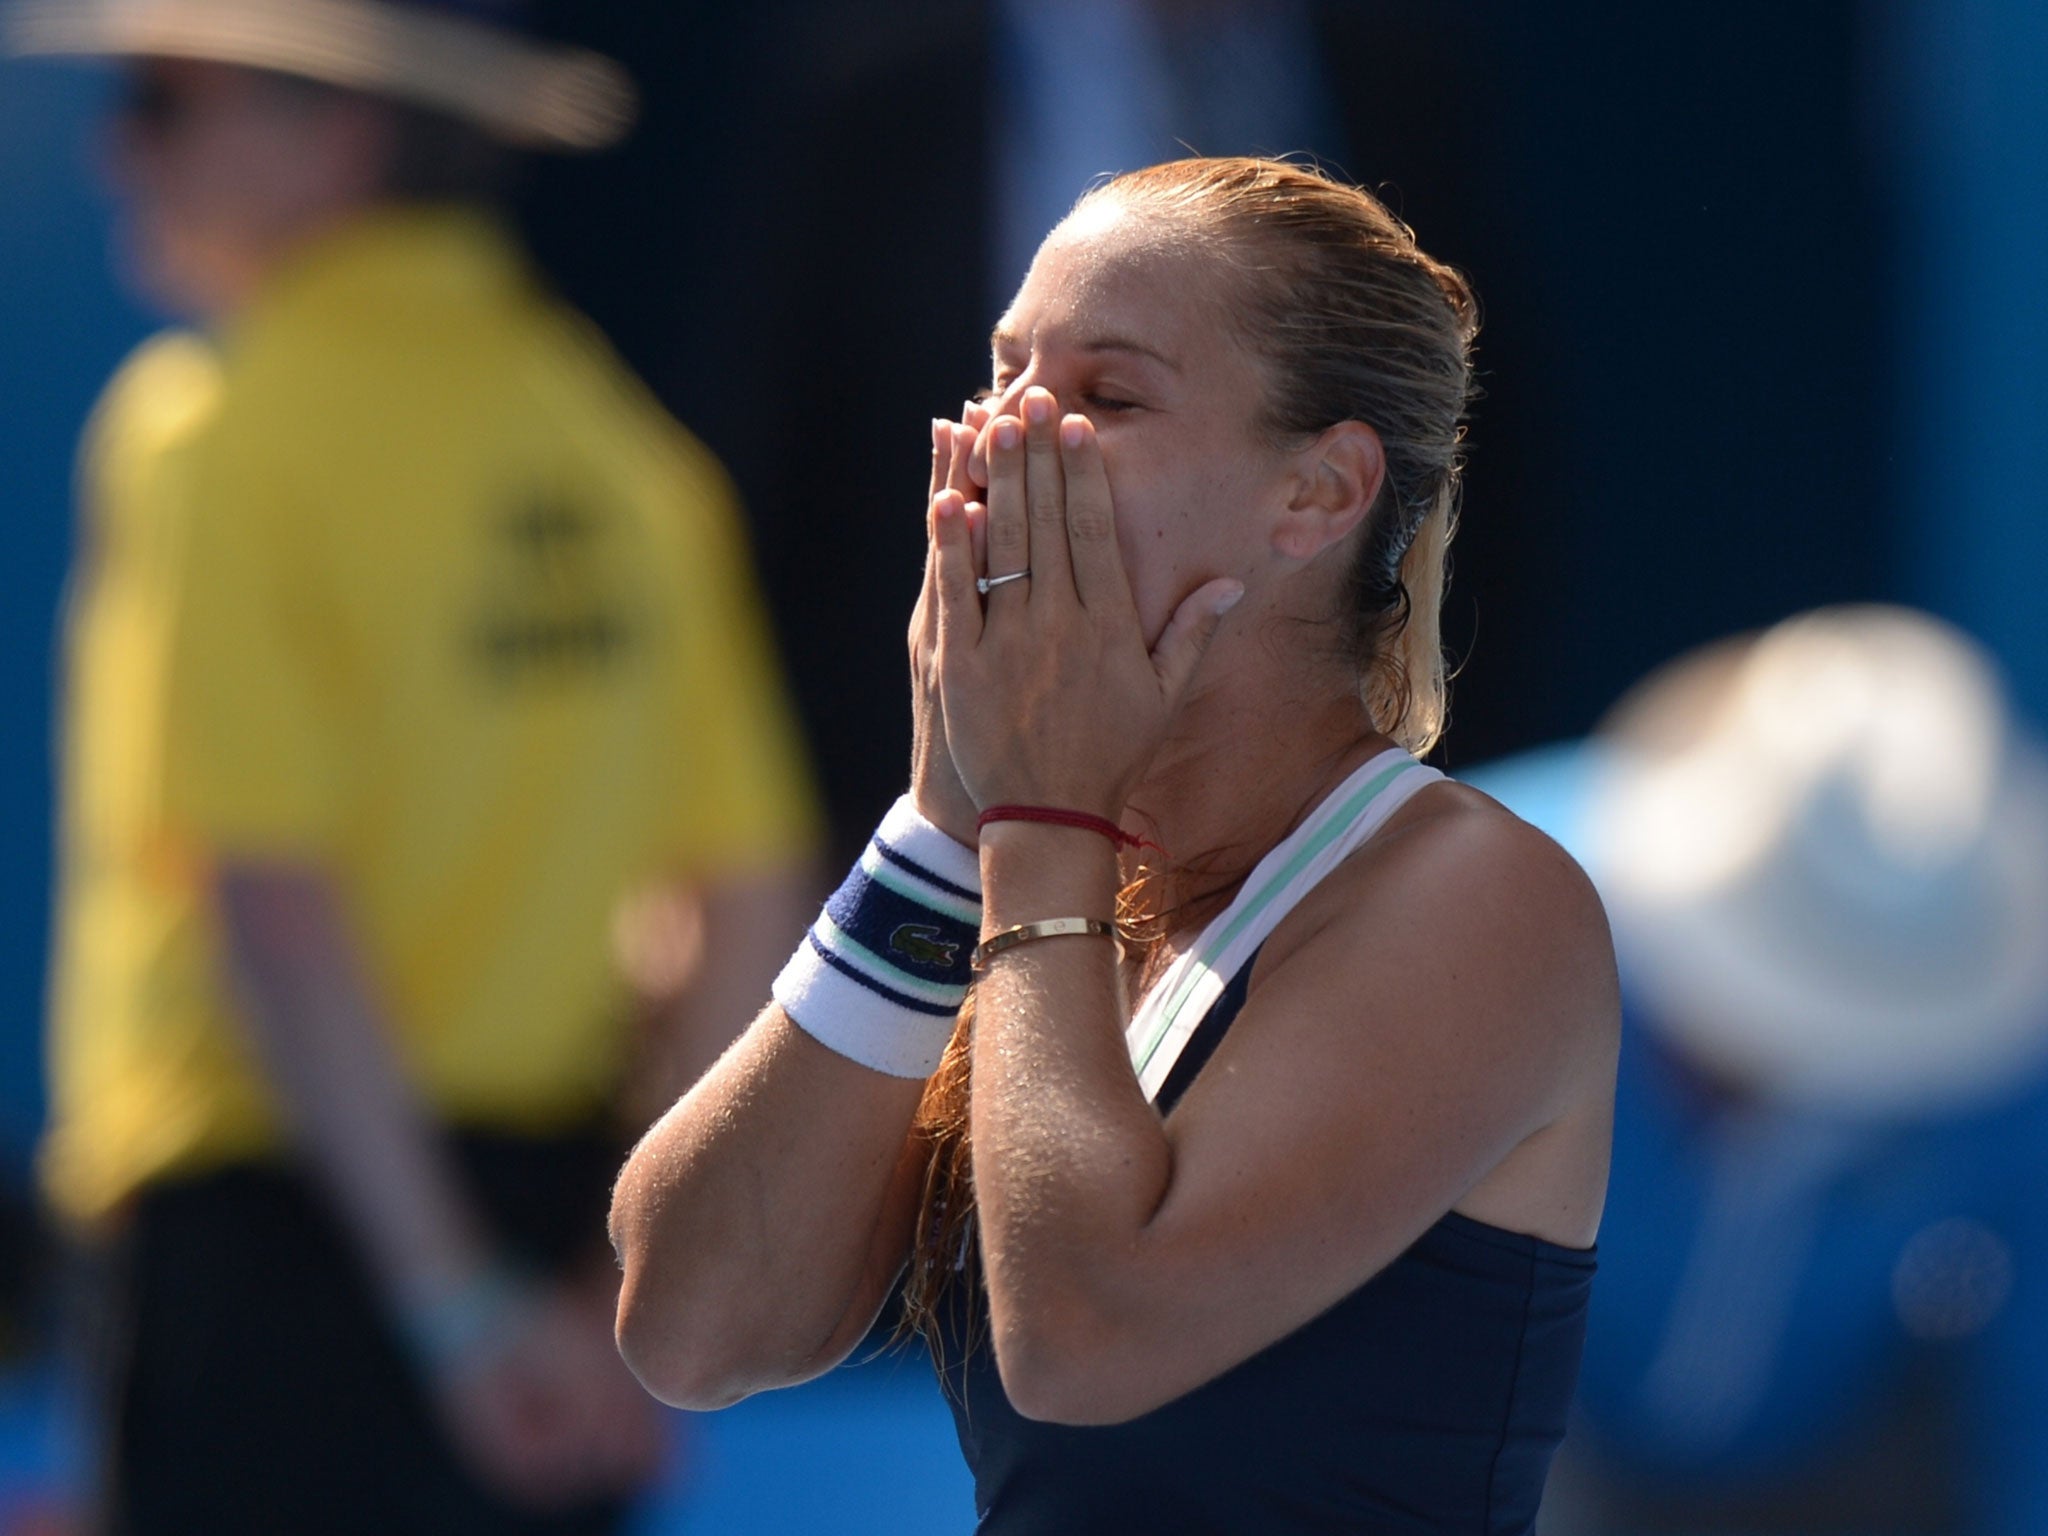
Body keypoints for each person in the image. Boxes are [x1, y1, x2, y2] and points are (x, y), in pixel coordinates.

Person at [611, 156, 1619, 1534]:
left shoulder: (1481, 898)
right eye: (1001, 375)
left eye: (1105, 396)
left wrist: (1035, 816)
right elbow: (691, 1327)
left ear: (1319, 494)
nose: (1006, 441)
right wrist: (942, 820)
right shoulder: (1056, 876)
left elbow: (1088, 1338)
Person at [6, 0, 820, 1530]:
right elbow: (747, 895)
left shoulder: (211, 435)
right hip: (561, 1273)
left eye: (165, 99)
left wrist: (452, 1310)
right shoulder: (622, 457)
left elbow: (274, 908)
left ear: (340, 136)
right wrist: (610, 1295)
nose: (118, 146)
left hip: (276, 1267)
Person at [1466, 606, 2048, 1536]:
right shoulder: (1468, 897)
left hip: (1844, 1462)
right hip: (1488, 1426)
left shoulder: (2017, 1054)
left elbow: (2032, 1412)